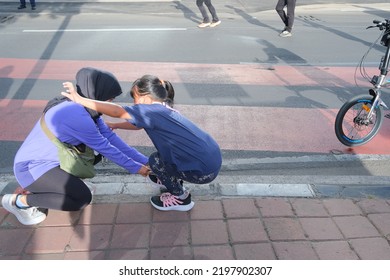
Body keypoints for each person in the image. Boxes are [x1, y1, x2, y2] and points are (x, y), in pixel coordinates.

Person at [1, 67, 150, 226]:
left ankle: (43, 188)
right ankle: (19, 202)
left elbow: (110, 137)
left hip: (50, 163)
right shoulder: (76, 114)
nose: (110, 103)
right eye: (110, 99)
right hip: (31, 168)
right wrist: (137, 168)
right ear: (97, 93)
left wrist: (145, 160)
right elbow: (105, 147)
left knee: (89, 163)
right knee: (81, 199)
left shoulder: (85, 108)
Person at [61, 74, 222, 212]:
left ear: (145, 98)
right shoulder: (164, 108)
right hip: (211, 160)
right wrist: (116, 125)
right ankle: (173, 178)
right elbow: (138, 124)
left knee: (156, 162)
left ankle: (181, 198)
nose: (134, 103)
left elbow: (117, 111)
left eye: (135, 98)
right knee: (161, 160)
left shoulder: (149, 111)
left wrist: (80, 99)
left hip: (203, 172)